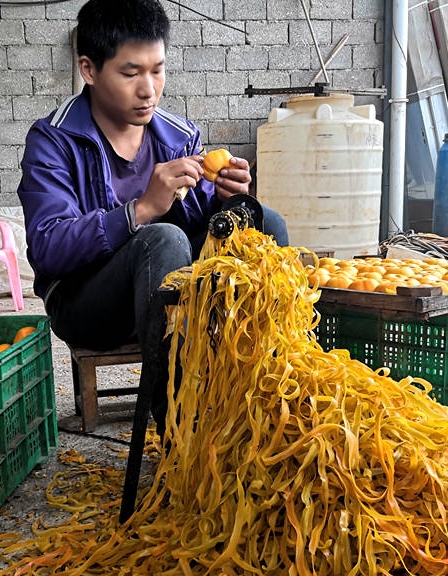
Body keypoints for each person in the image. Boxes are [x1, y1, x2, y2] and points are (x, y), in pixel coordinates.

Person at [17, 0, 288, 435]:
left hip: (166, 290)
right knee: (161, 238)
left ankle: (268, 397)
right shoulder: (55, 140)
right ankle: (177, 424)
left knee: (263, 221)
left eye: (157, 70)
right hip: (88, 301)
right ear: (89, 69)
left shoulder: (179, 135)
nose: (149, 89)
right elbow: (48, 248)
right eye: (131, 73)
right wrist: (140, 209)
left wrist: (224, 199)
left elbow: (200, 222)